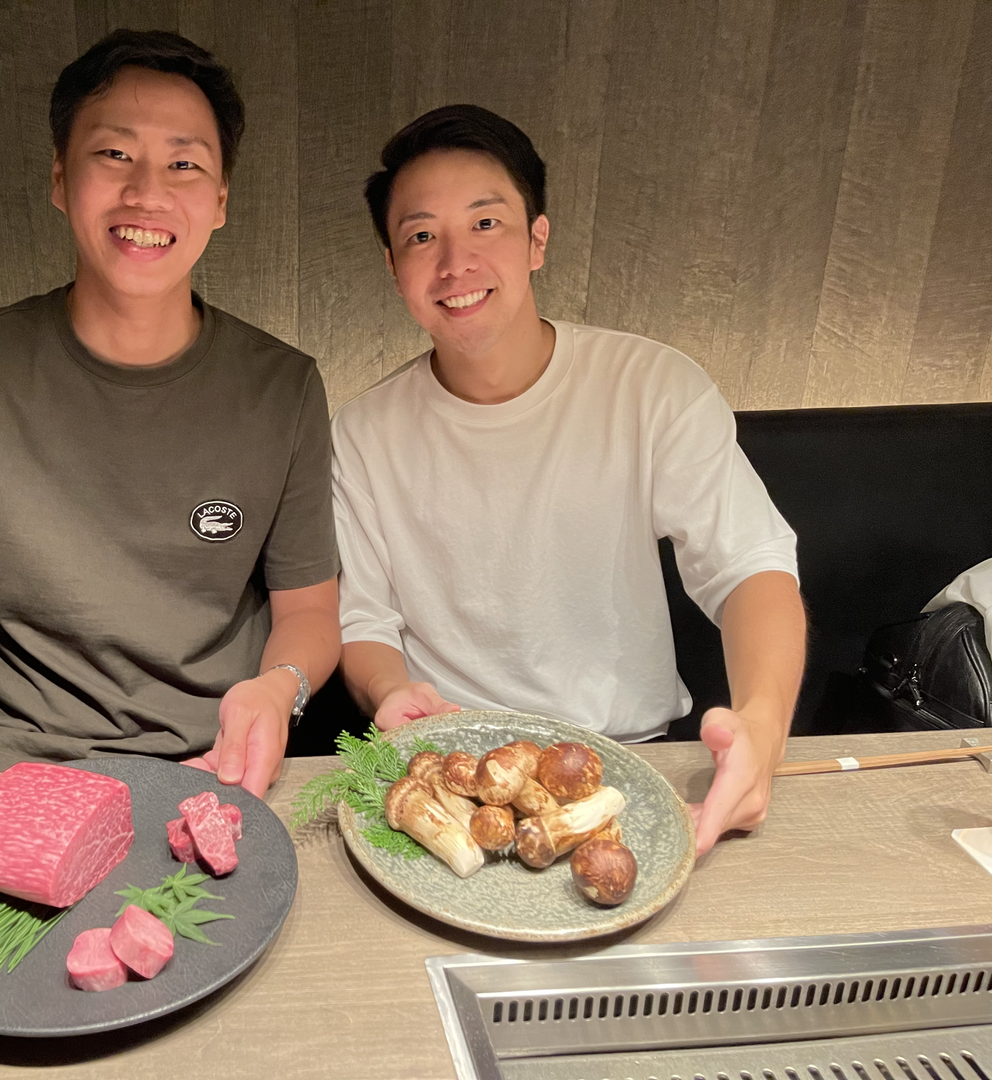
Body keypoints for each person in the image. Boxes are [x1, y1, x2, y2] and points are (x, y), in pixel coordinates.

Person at [0, 30, 340, 898]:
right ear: (60, 178)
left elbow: (310, 608)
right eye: (113, 154)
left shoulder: (284, 388)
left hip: (213, 776)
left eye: (184, 164)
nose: (146, 191)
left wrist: (279, 689)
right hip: (13, 771)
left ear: (221, 201)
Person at [333, 105, 806, 857]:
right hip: (448, 777)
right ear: (394, 267)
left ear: (537, 240)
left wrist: (763, 725)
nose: (454, 262)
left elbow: (750, 565)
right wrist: (389, 692)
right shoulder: (361, 433)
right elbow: (362, 619)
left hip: (626, 763)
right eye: (422, 236)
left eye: (486, 223)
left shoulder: (651, 387)